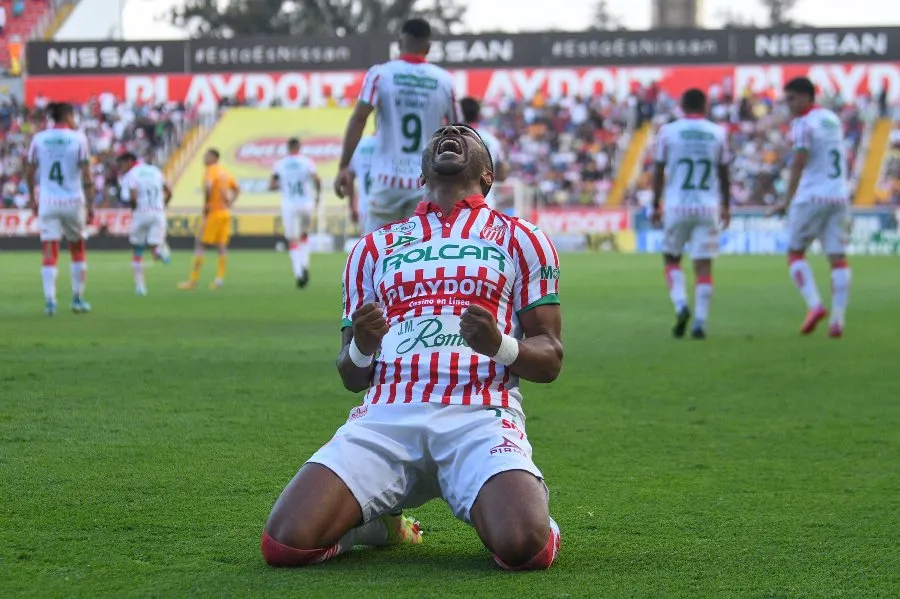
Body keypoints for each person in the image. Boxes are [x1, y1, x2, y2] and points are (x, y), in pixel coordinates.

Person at [261, 124, 563, 571]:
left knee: (525, 547)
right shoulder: (371, 248)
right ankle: (377, 526)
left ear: (487, 175)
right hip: (385, 419)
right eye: (442, 133)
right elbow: (350, 374)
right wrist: (363, 346)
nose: (451, 133)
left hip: (478, 415)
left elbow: (551, 357)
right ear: (422, 175)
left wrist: (499, 345)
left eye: (465, 133)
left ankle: (525, 508)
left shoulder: (522, 238)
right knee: (285, 545)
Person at [334, 18, 461, 234]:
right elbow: (460, 131)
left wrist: (344, 166)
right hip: (427, 182)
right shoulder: (444, 81)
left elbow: (359, 119)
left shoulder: (380, 75)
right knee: (420, 255)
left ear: (400, 43)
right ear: (428, 48)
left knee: (375, 253)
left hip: (387, 180)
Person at [767, 77, 852, 338]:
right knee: (837, 258)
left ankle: (815, 306)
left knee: (795, 253)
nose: (789, 105)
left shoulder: (803, 124)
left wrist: (786, 200)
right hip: (838, 196)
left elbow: (798, 162)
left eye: (792, 99)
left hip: (812, 196)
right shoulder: (832, 119)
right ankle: (838, 319)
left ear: (806, 97)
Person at [651, 89, 731, 339]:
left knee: (672, 258)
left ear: (682, 106)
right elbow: (724, 172)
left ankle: (681, 305)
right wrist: (726, 205)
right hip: (707, 207)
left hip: (676, 206)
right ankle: (699, 322)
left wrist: (655, 204)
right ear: (705, 106)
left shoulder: (668, 131)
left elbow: (658, 169)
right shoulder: (718, 133)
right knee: (704, 266)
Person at [26, 102, 94, 316]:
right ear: (68, 116)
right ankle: (77, 299)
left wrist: (32, 200)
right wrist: (91, 205)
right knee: (77, 249)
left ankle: (50, 302)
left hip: (47, 202)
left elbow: (29, 173)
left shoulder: (38, 139)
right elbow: (87, 175)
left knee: (49, 250)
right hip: (73, 202)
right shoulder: (78, 139)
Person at [179, 148, 239, 290]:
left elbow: (208, 186)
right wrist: (230, 202)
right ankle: (219, 280)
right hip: (225, 213)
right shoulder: (225, 172)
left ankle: (193, 281)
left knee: (200, 243)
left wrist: (207, 204)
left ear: (213, 157)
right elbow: (237, 189)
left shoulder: (210, 171)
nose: (204, 158)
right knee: (221, 246)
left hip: (214, 212)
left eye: (206, 156)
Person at [118, 152, 172, 296]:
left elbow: (133, 196)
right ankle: (161, 251)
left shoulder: (132, 175)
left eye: (122, 165)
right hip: (158, 213)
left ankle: (140, 287)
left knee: (138, 249)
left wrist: (133, 208)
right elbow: (169, 192)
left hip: (141, 213)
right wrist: (162, 206)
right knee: (154, 248)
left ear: (129, 161)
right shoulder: (155, 171)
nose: (121, 168)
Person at [269, 138, 320, 288]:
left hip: (289, 204)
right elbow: (317, 179)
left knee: (293, 239)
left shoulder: (280, 164)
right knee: (304, 235)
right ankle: (305, 264)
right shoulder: (307, 162)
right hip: (306, 203)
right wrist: (318, 196)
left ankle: (298, 273)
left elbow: (271, 185)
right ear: (299, 147)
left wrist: (282, 185)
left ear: (287, 148)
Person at [459, 97, 508, 209]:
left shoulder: (450, 138)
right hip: (485, 202)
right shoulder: (491, 139)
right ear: (478, 115)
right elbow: (502, 174)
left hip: (455, 203)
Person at [348, 133, 377, 231]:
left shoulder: (359, 145)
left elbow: (349, 178)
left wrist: (352, 206)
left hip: (364, 208)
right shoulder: (392, 143)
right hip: (389, 206)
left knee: (368, 244)